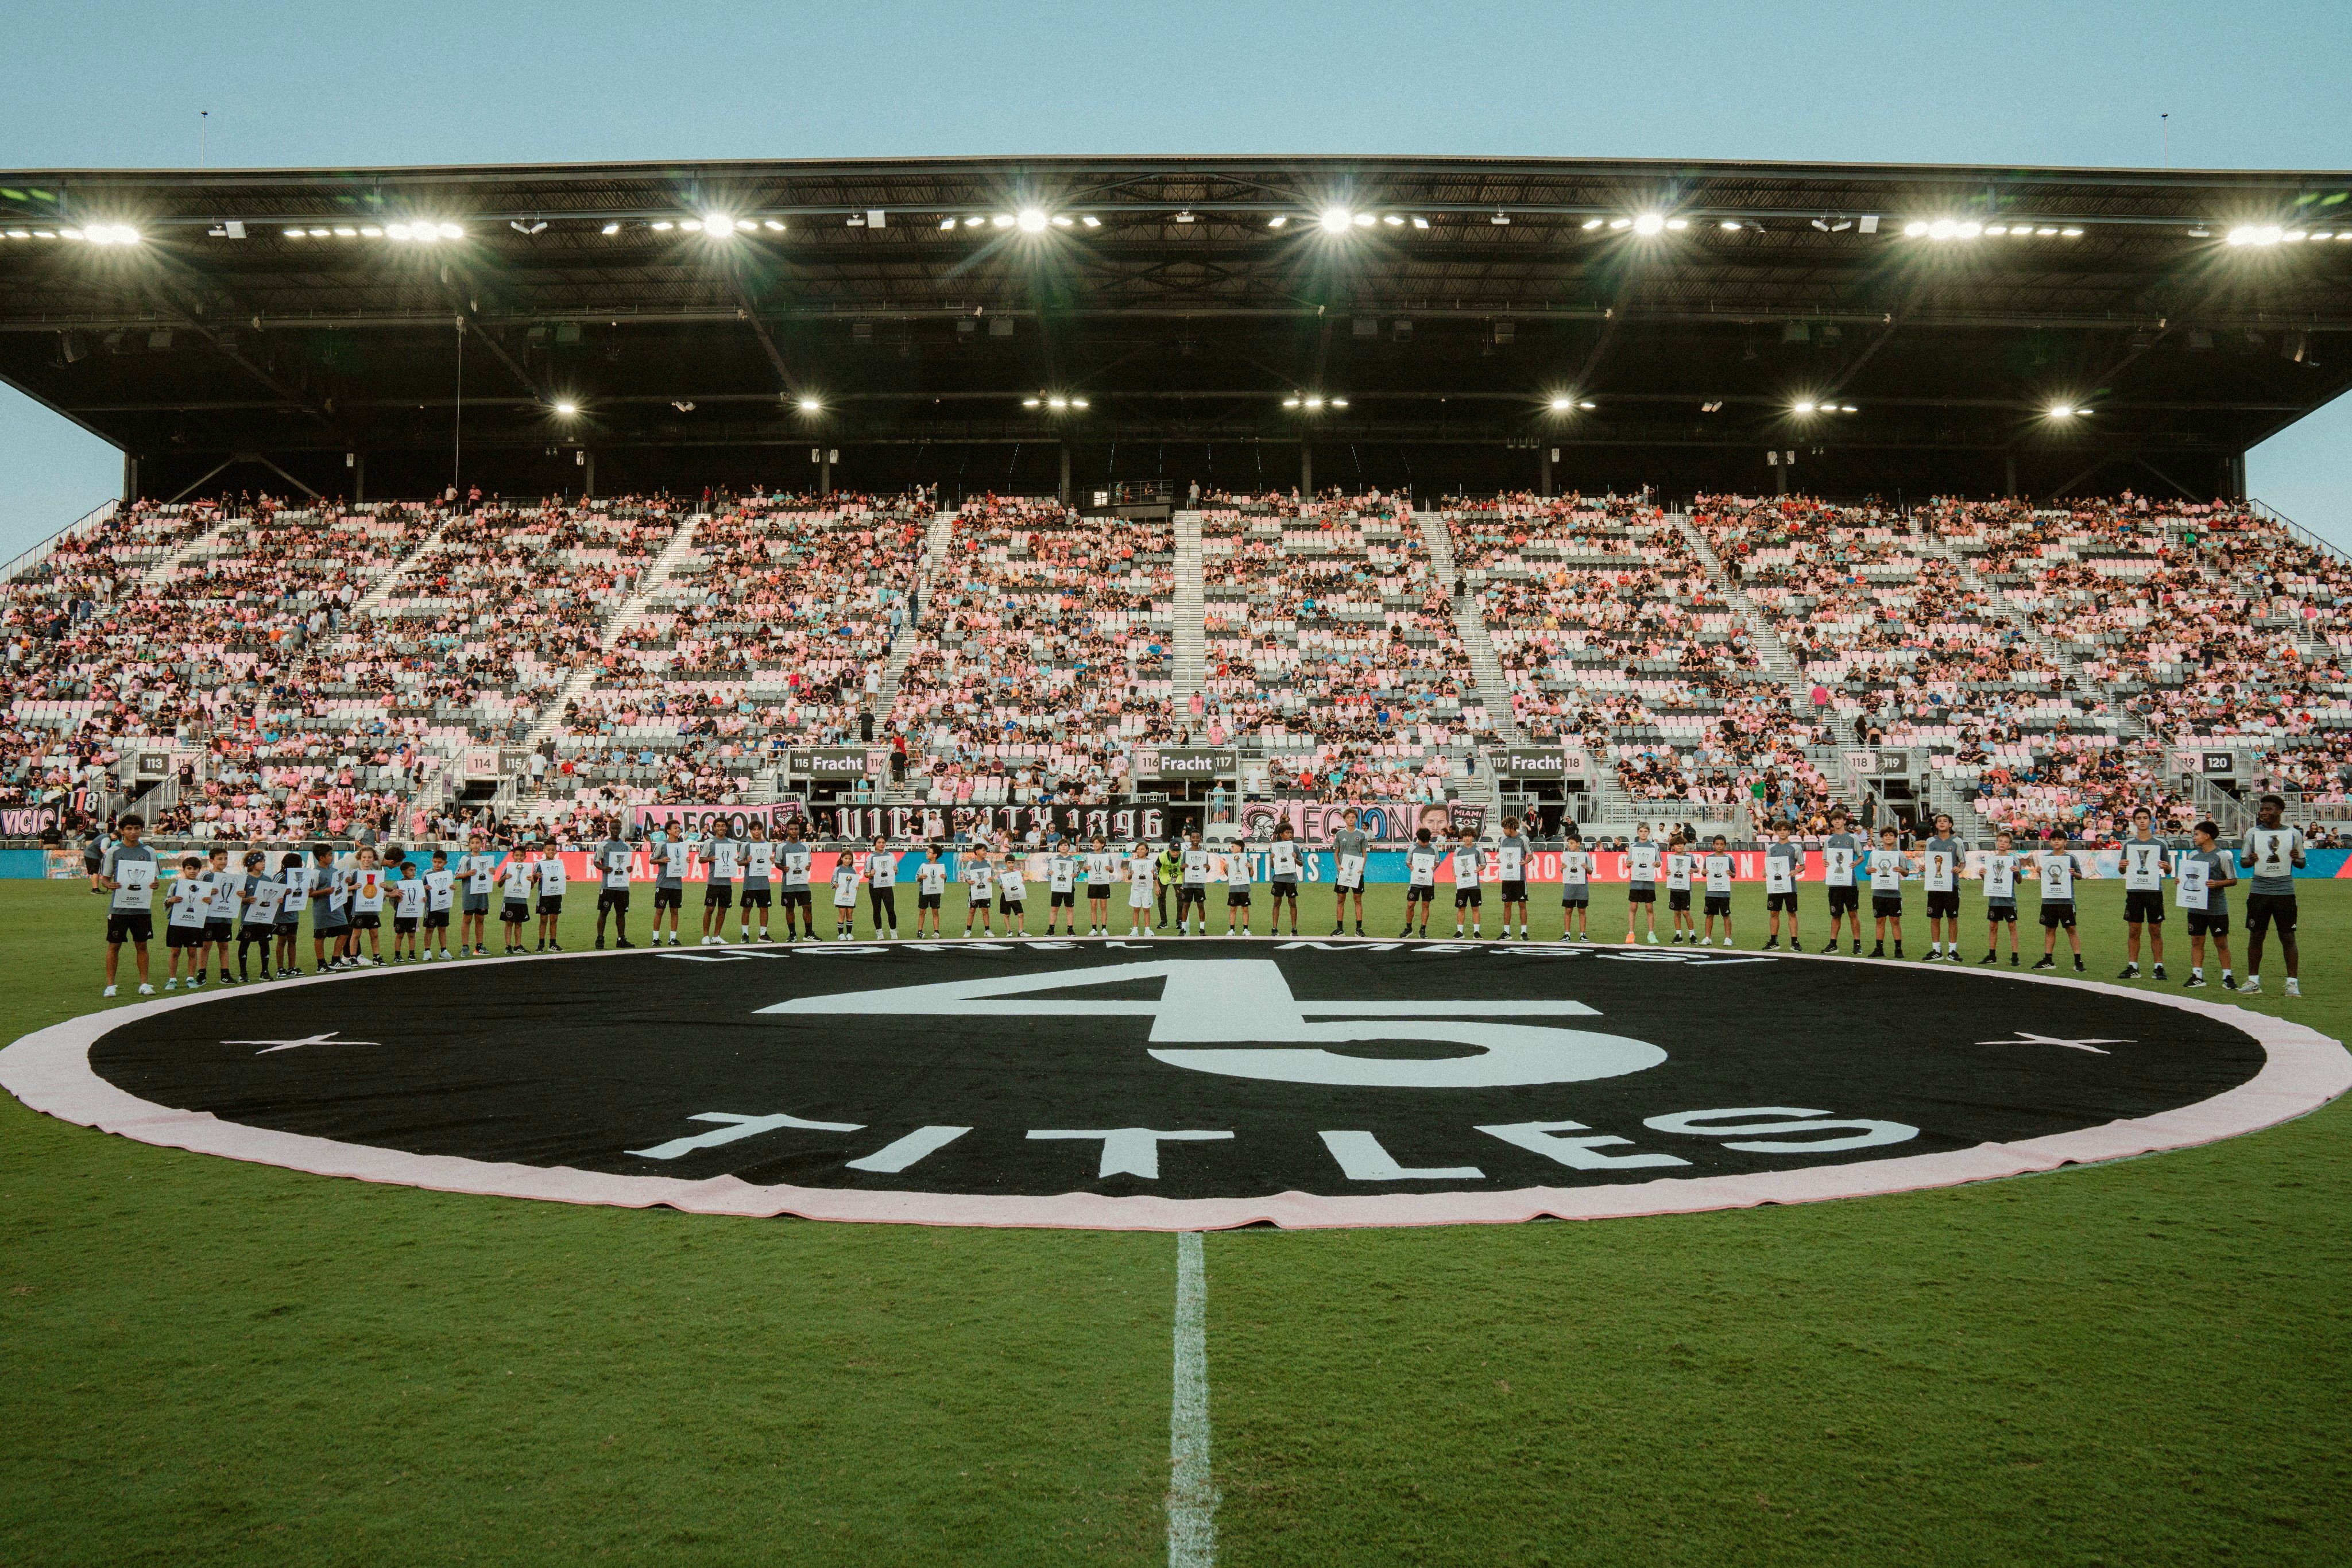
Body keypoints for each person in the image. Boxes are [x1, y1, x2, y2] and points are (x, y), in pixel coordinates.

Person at [2239, 794, 2305, 998]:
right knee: (2256, 936)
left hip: (2284, 892)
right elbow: (2243, 863)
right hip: (2259, 891)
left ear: (2279, 811)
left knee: (2287, 936)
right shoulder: (2253, 833)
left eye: (2268, 809)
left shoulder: (2293, 834)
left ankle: (2292, 983)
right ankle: (2253, 981)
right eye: (2262, 810)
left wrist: (2296, 858)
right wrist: (2251, 859)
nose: (2264, 813)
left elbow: (2302, 864)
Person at [96, 814, 158, 997]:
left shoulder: (149, 852)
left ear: (141, 830)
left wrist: (155, 884)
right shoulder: (113, 852)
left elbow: (154, 879)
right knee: (114, 946)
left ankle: (145, 984)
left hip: (142, 907)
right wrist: (110, 885)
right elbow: (105, 879)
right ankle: (110, 985)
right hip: (119, 907)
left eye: (137, 828)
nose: (133, 832)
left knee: (142, 946)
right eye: (129, 829)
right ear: (122, 831)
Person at [2177, 819, 2238, 989]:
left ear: (2207, 836)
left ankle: (2227, 976)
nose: (2194, 838)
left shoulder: (2223, 856)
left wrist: (2217, 884)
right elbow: (2187, 878)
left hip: (2217, 907)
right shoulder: (2193, 856)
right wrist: (2180, 881)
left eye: (2196, 834)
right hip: (2195, 907)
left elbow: (2233, 880)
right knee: (2197, 941)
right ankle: (2197, 975)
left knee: (2221, 943)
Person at [2118, 806, 2170, 981]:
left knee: (2155, 930)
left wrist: (2166, 867)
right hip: (2134, 891)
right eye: (2139, 818)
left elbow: (2169, 869)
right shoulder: (2129, 845)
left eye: (2145, 818)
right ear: (2134, 822)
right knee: (2134, 930)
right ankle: (2133, 966)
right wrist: (2122, 866)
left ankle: (2159, 967)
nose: (2142, 821)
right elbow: (2120, 870)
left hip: (2154, 891)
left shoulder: (2160, 844)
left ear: (2150, 821)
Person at [2032, 828, 2084, 972]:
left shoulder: (2071, 858)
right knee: (2049, 929)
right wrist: (2040, 872)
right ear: (2050, 842)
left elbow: (2081, 876)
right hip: (2050, 900)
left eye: (2060, 840)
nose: (2056, 842)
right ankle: (2048, 959)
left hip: (2066, 900)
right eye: (2054, 839)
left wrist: (2074, 874)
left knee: (2071, 929)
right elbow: (2046, 880)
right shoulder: (2047, 858)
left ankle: (2078, 960)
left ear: (2065, 842)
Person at [1920, 813, 1964, 961]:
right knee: (1935, 917)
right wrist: (1923, 867)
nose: (1942, 823)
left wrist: (1959, 869)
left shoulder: (1957, 841)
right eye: (1939, 821)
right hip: (1935, 885)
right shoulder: (1931, 841)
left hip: (1951, 885)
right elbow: (1928, 861)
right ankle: (1936, 950)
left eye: (1945, 821)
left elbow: (1962, 862)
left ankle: (1952, 951)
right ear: (1936, 825)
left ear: (1950, 825)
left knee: (1952, 917)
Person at [236, 851, 285, 981]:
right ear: (252, 864)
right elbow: (235, 900)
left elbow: (272, 898)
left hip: (264, 919)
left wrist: (278, 900)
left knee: (265, 944)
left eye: (264, 861)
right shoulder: (244, 879)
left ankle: (265, 972)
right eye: (260, 862)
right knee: (245, 944)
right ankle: (243, 974)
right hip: (248, 919)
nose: (264, 864)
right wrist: (247, 900)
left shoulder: (268, 879)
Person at [1866, 824, 1912, 959]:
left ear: (1895, 838)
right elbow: (1867, 870)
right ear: (1882, 838)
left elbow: (1907, 872)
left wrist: (1901, 871)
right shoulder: (1876, 854)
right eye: (1886, 835)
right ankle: (1879, 949)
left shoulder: (1899, 854)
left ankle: (1898, 949)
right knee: (1880, 921)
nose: (1888, 837)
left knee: (1895, 920)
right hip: (1879, 892)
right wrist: (1870, 870)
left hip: (1894, 893)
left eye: (1891, 835)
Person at [163, 853, 209, 989]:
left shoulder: (204, 888)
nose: (192, 871)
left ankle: (190, 979)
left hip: (194, 923)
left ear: (199, 870)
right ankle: (172, 979)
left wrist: (208, 901)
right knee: (175, 952)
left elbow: (205, 907)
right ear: (184, 870)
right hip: (177, 922)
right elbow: (165, 903)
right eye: (189, 868)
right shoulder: (175, 885)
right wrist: (170, 901)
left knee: (192, 952)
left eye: (195, 869)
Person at [1820, 808, 1862, 955]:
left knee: (1853, 913)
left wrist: (1855, 863)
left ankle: (1857, 944)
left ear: (1845, 821)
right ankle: (1833, 944)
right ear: (1831, 822)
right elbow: (1825, 859)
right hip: (1835, 883)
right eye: (1834, 820)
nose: (1837, 821)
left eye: (1840, 819)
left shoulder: (1853, 838)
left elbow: (1861, 856)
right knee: (1835, 915)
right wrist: (1825, 863)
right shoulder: (1829, 840)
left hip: (1850, 882)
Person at [1979, 830, 2022, 966]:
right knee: (1993, 926)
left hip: (2009, 899)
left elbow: (2019, 881)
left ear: (2010, 845)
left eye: (2006, 842)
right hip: (1995, 899)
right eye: (2001, 841)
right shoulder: (1991, 860)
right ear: (1997, 843)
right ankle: (1992, 955)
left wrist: (2018, 872)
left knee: (2012, 926)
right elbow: (1988, 881)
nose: (2003, 844)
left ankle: (2015, 956)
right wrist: (1982, 875)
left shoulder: (2014, 860)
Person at [1329, 808, 1369, 938]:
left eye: (1353, 817)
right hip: (1343, 872)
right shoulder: (1340, 834)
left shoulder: (1361, 834)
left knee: (1357, 899)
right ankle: (1340, 928)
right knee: (1341, 899)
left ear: (1356, 819)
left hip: (1357, 872)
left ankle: (1359, 929)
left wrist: (1362, 867)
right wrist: (1339, 865)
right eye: (1348, 818)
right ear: (1344, 819)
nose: (1351, 820)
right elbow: (1336, 854)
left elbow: (1364, 854)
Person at [201, 845, 237, 985]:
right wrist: (207, 893)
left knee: (224, 946)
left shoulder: (230, 878)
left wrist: (240, 895)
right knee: (206, 946)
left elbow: (234, 898)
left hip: (225, 917)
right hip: (209, 917)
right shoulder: (206, 876)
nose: (223, 861)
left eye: (226, 859)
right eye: (220, 859)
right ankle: (202, 974)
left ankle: (225, 974)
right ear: (212, 861)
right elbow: (197, 893)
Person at [1762, 822, 1801, 951]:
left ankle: (1795, 942)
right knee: (1774, 913)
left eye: (1785, 830)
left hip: (1790, 886)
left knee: (1792, 913)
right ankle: (1774, 941)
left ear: (1790, 832)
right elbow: (1768, 865)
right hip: (1775, 886)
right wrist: (1765, 871)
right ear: (1776, 832)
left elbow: (1803, 865)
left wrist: (1796, 871)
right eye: (1780, 830)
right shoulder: (1771, 848)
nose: (1782, 832)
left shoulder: (1795, 848)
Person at [312, 842, 352, 970]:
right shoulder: (316, 873)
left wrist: (346, 882)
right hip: (322, 910)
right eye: (329, 855)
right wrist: (324, 892)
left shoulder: (335, 871)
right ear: (321, 858)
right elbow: (310, 893)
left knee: (345, 931)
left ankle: (335, 959)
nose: (332, 857)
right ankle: (321, 964)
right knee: (320, 936)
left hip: (337, 908)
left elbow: (340, 887)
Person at [593, 827, 634, 950]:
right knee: (604, 912)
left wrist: (629, 869)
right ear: (610, 829)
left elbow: (628, 864)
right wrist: (604, 868)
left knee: (621, 913)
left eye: (618, 828)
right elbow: (596, 862)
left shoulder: (626, 846)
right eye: (613, 828)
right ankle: (600, 939)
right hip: (607, 886)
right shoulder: (603, 845)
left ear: (621, 829)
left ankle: (621, 939)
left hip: (622, 886)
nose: (616, 830)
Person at [274, 845, 312, 978]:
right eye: (300, 864)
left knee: (293, 940)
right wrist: (282, 892)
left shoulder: (299, 876)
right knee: (281, 940)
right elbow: (271, 892)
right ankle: (280, 968)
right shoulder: (280, 876)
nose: (302, 866)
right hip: (281, 915)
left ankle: (291, 967)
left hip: (293, 913)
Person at [459, 830, 498, 957]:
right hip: (469, 893)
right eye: (473, 843)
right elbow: (457, 875)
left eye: (477, 843)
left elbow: (489, 875)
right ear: (469, 845)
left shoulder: (486, 859)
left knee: (480, 919)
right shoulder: (465, 858)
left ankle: (479, 946)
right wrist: (467, 874)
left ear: (482, 844)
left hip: (482, 893)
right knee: (467, 919)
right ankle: (465, 947)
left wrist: (493, 871)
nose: (475, 845)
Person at [701, 822, 741, 945]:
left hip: (726, 883)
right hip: (713, 881)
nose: (721, 828)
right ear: (714, 828)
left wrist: (737, 860)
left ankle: (716, 936)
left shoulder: (731, 843)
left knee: (723, 909)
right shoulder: (709, 842)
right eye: (718, 826)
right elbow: (701, 859)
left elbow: (736, 860)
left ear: (726, 828)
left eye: (723, 826)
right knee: (710, 908)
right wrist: (710, 859)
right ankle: (706, 936)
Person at [1494, 816, 1531, 942]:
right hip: (1507, 876)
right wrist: (1499, 859)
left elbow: (1531, 856)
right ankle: (1506, 932)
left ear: (1511, 827)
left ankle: (1524, 932)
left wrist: (1524, 862)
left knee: (1522, 904)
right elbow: (1502, 855)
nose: (1503, 830)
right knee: (1507, 904)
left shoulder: (1524, 839)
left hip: (1520, 877)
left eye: (1505, 828)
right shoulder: (1503, 840)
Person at [651, 830, 691, 947]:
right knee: (660, 911)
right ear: (669, 831)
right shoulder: (661, 844)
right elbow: (652, 860)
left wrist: (687, 861)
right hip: (663, 884)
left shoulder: (682, 846)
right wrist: (661, 860)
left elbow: (683, 861)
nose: (678, 830)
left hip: (677, 884)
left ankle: (673, 938)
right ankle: (655, 938)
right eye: (676, 828)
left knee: (675, 911)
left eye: (679, 828)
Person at [779, 823, 816, 942]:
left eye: (796, 829)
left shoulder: (805, 847)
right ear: (788, 831)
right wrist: (782, 868)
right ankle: (792, 934)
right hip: (788, 885)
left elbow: (809, 862)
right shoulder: (782, 847)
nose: (794, 831)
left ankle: (809, 933)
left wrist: (808, 867)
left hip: (803, 884)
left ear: (799, 831)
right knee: (790, 909)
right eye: (791, 829)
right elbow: (777, 863)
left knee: (807, 907)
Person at [349, 847, 386, 966]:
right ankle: (353, 958)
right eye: (364, 857)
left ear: (374, 859)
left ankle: (377, 957)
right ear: (360, 858)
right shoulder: (355, 873)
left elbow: (380, 891)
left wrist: (383, 886)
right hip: (358, 909)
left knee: (374, 934)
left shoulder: (378, 873)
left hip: (373, 909)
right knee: (356, 934)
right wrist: (352, 887)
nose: (367, 860)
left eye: (370, 857)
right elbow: (343, 888)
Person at [1623, 825, 1659, 946]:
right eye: (1641, 831)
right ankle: (1631, 933)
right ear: (1638, 832)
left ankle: (1651, 933)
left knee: (1649, 908)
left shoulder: (1654, 846)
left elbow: (1659, 862)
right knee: (1633, 907)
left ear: (1649, 832)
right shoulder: (1633, 847)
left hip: (1649, 882)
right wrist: (1628, 864)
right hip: (1636, 882)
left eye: (1645, 831)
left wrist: (1657, 864)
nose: (1643, 833)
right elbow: (1628, 865)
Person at [1266, 824, 1302, 937]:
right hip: (1279, 878)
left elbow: (1301, 863)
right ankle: (1275, 928)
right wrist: (1272, 859)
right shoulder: (1276, 847)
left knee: (1292, 903)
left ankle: (1294, 929)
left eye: (1291, 833)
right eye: (1287, 833)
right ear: (1281, 834)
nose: (1290, 835)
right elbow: (1273, 866)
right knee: (1277, 902)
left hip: (1291, 878)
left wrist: (1295, 858)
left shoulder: (1295, 847)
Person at [1700, 834, 1735, 947]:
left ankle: (1728, 938)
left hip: (1724, 892)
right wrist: (1703, 872)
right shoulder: (1708, 858)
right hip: (1711, 891)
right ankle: (1708, 938)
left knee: (1726, 915)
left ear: (1725, 845)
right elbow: (1704, 873)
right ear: (1713, 845)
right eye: (1717, 844)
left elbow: (1734, 874)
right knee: (1709, 915)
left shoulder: (1729, 859)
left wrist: (1731, 874)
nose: (1719, 846)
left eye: (1721, 844)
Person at [1450, 826, 1484, 940]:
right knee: (1461, 908)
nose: (1467, 838)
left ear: (1473, 837)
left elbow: (1483, 864)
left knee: (1475, 908)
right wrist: (1455, 873)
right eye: (1465, 836)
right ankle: (1460, 931)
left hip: (1475, 884)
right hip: (1462, 884)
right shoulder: (1458, 850)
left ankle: (1476, 932)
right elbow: (1454, 864)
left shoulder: (1478, 850)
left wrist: (1479, 869)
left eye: (1470, 836)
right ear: (1462, 837)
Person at [1662, 834, 1697, 944]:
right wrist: (1667, 872)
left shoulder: (1689, 857)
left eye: (1681, 844)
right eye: (1677, 845)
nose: (1680, 846)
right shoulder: (1671, 858)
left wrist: (1693, 870)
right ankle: (1679, 935)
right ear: (1673, 847)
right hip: (1674, 889)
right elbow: (1669, 872)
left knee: (1686, 913)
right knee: (1677, 912)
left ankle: (1692, 935)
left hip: (1685, 889)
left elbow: (1696, 868)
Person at [500, 846, 535, 954]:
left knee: (519, 923)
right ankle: (508, 946)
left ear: (525, 857)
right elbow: (499, 884)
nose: (519, 858)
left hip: (521, 901)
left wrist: (532, 881)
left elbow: (530, 888)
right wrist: (504, 878)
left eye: (521, 856)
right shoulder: (507, 868)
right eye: (517, 855)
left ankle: (518, 945)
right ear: (513, 856)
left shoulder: (528, 869)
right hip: (509, 900)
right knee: (509, 923)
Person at [391, 857, 426, 962]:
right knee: (400, 934)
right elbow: (392, 899)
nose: (414, 872)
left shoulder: (418, 884)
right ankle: (397, 956)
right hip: (401, 914)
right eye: (411, 870)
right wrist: (397, 901)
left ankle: (412, 955)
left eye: (415, 870)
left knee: (412, 934)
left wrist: (423, 899)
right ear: (403, 872)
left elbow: (420, 897)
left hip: (413, 914)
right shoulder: (397, 884)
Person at [423, 849, 457, 960]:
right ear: (432, 861)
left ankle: (443, 951)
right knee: (430, 929)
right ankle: (427, 951)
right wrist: (424, 888)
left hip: (444, 906)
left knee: (443, 929)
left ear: (445, 863)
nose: (437, 864)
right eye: (435, 862)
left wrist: (453, 888)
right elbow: (420, 888)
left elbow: (450, 888)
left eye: (440, 862)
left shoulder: (448, 874)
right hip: (431, 906)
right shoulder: (428, 873)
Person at [534, 840, 566, 953]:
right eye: (548, 850)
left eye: (553, 850)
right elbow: (533, 882)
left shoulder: (558, 864)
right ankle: (541, 943)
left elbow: (559, 878)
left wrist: (565, 877)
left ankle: (553, 943)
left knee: (554, 919)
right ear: (544, 850)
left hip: (556, 894)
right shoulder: (539, 864)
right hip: (544, 895)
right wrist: (535, 876)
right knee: (543, 919)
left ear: (556, 851)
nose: (551, 852)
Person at [1560, 830, 1592, 942]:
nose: (1569, 845)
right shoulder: (1566, 856)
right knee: (1568, 910)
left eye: (1572, 843)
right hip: (1569, 887)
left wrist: (1586, 867)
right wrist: (1562, 868)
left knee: (1582, 911)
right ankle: (1567, 934)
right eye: (1569, 843)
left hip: (1582, 887)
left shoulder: (1585, 855)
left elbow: (1591, 871)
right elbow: (1563, 872)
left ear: (1578, 844)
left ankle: (1583, 934)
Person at [1085, 835, 1120, 938]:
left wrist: (1110, 868)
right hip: (1093, 883)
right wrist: (1086, 868)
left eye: (1097, 843)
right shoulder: (1089, 855)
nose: (1095, 845)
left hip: (1104, 883)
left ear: (1103, 844)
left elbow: (1112, 869)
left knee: (1104, 906)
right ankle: (1094, 929)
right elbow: (1085, 869)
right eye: (1093, 843)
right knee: (1093, 906)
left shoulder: (1107, 856)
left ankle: (1104, 929)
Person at [1178, 832, 1212, 936]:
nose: (1196, 839)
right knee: (1186, 905)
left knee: (1201, 905)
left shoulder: (1203, 854)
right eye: (1193, 837)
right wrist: (1183, 866)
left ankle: (1202, 929)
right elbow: (1181, 869)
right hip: (1188, 884)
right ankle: (1183, 928)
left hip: (1199, 884)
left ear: (1201, 839)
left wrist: (1208, 868)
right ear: (1191, 839)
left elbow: (1205, 870)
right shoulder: (1186, 853)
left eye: (1198, 837)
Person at [1044, 838, 1079, 936]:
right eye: (1061, 845)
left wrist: (1075, 875)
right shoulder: (1054, 859)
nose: (1063, 847)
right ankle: (1051, 930)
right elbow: (1049, 871)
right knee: (1054, 908)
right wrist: (1050, 873)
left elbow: (1077, 872)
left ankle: (1070, 930)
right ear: (1058, 847)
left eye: (1065, 845)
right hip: (1057, 887)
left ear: (1069, 847)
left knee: (1069, 909)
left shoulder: (1073, 860)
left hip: (1069, 887)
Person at [867, 836, 900, 939]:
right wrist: (870, 874)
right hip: (874, 886)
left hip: (887, 885)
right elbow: (866, 874)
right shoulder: (870, 857)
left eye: (883, 842)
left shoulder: (890, 856)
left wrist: (895, 870)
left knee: (890, 909)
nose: (881, 844)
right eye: (879, 842)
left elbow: (895, 871)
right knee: (877, 910)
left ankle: (893, 932)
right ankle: (879, 933)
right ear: (875, 844)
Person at [914, 843, 949, 938]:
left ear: (935, 855)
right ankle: (920, 931)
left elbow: (944, 880)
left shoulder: (941, 866)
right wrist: (921, 877)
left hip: (936, 891)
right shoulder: (923, 865)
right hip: (924, 891)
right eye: (927, 851)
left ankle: (936, 931)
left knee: (935, 911)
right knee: (922, 911)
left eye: (929, 852)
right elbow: (917, 878)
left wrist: (945, 878)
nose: (926, 853)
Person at [1221, 837, 1255, 936]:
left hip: (1244, 888)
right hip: (1234, 888)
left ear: (1239, 848)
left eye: (1233, 847)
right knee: (1233, 908)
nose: (1231, 849)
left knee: (1245, 909)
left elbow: (1251, 875)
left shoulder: (1247, 859)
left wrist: (1251, 867)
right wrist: (1225, 870)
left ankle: (1245, 930)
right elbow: (1230, 876)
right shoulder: (1230, 860)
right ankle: (1232, 930)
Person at [1127, 839, 1158, 936]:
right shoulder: (1133, 862)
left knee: (1146, 909)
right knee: (1136, 909)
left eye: (1142, 849)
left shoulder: (1151, 862)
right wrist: (1130, 874)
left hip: (1147, 888)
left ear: (1147, 851)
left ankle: (1147, 930)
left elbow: (1156, 877)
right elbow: (1128, 877)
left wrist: (1153, 875)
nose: (1140, 851)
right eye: (1138, 849)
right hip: (1136, 888)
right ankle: (1135, 929)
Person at [963, 847, 997, 936]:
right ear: (977, 852)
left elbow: (992, 876)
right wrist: (968, 881)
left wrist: (991, 879)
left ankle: (987, 931)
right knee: (972, 910)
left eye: (986, 850)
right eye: (983, 850)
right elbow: (966, 876)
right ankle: (968, 930)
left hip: (986, 891)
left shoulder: (988, 863)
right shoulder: (971, 864)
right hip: (974, 891)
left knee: (985, 910)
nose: (985, 852)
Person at [830, 851, 862, 940]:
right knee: (842, 914)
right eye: (846, 858)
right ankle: (841, 934)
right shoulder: (837, 869)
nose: (848, 861)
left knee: (850, 914)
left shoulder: (853, 870)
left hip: (851, 896)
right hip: (841, 896)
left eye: (850, 859)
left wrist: (856, 887)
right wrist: (835, 885)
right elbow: (832, 881)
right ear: (842, 858)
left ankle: (849, 934)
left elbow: (855, 882)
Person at [996, 847, 1029, 936]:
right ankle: (1009, 931)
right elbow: (1000, 883)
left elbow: (1020, 884)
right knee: (1007, 914)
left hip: (1015, 896)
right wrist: (1002, 887)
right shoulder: (1002, 875)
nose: (1011, 865)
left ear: (1015, 863)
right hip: (1006, 896)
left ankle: (1021, 931)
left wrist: (1022, 883)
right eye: (1009, 863)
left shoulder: (1018, 874)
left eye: (1013, 863)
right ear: (1006, 863)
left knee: (1021, 914)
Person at [1156, 838, 1182, 930]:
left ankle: (1180, 921)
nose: (1176, 853)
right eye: (1174, 851)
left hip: (1178, 877)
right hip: (1164, 876)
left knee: (1181, 898)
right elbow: (1156, 870)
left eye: (1178, 851)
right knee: (1161, 898)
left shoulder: (1183, 856)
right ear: (1169, 850)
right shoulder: (1163, 856)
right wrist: (1156, 886)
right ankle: (1164, 921)